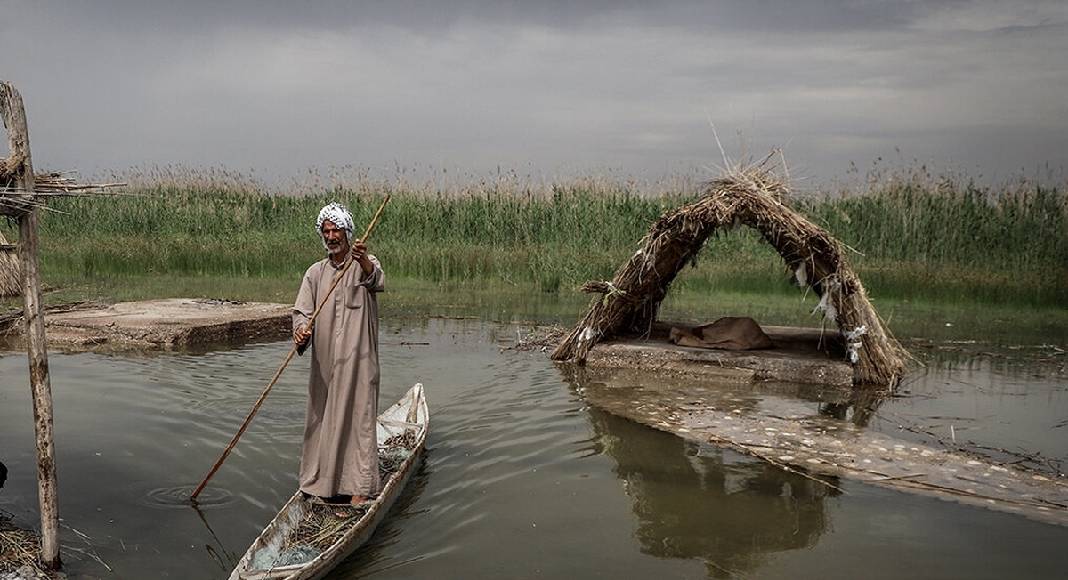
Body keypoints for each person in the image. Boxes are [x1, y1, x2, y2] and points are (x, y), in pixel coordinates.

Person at [292, 202, 384, 505]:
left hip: (358, 363)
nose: (332, 236)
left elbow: (376, 279)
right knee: (322, 419)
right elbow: (302, 312)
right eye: (327, 231)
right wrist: (301, 331)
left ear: (348, 232)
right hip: (326, 365)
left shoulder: (363, 264)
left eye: (337, 230)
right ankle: (321, 484)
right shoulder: (315, 274)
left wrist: (364, 261)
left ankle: (359, 487)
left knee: (359, 419)